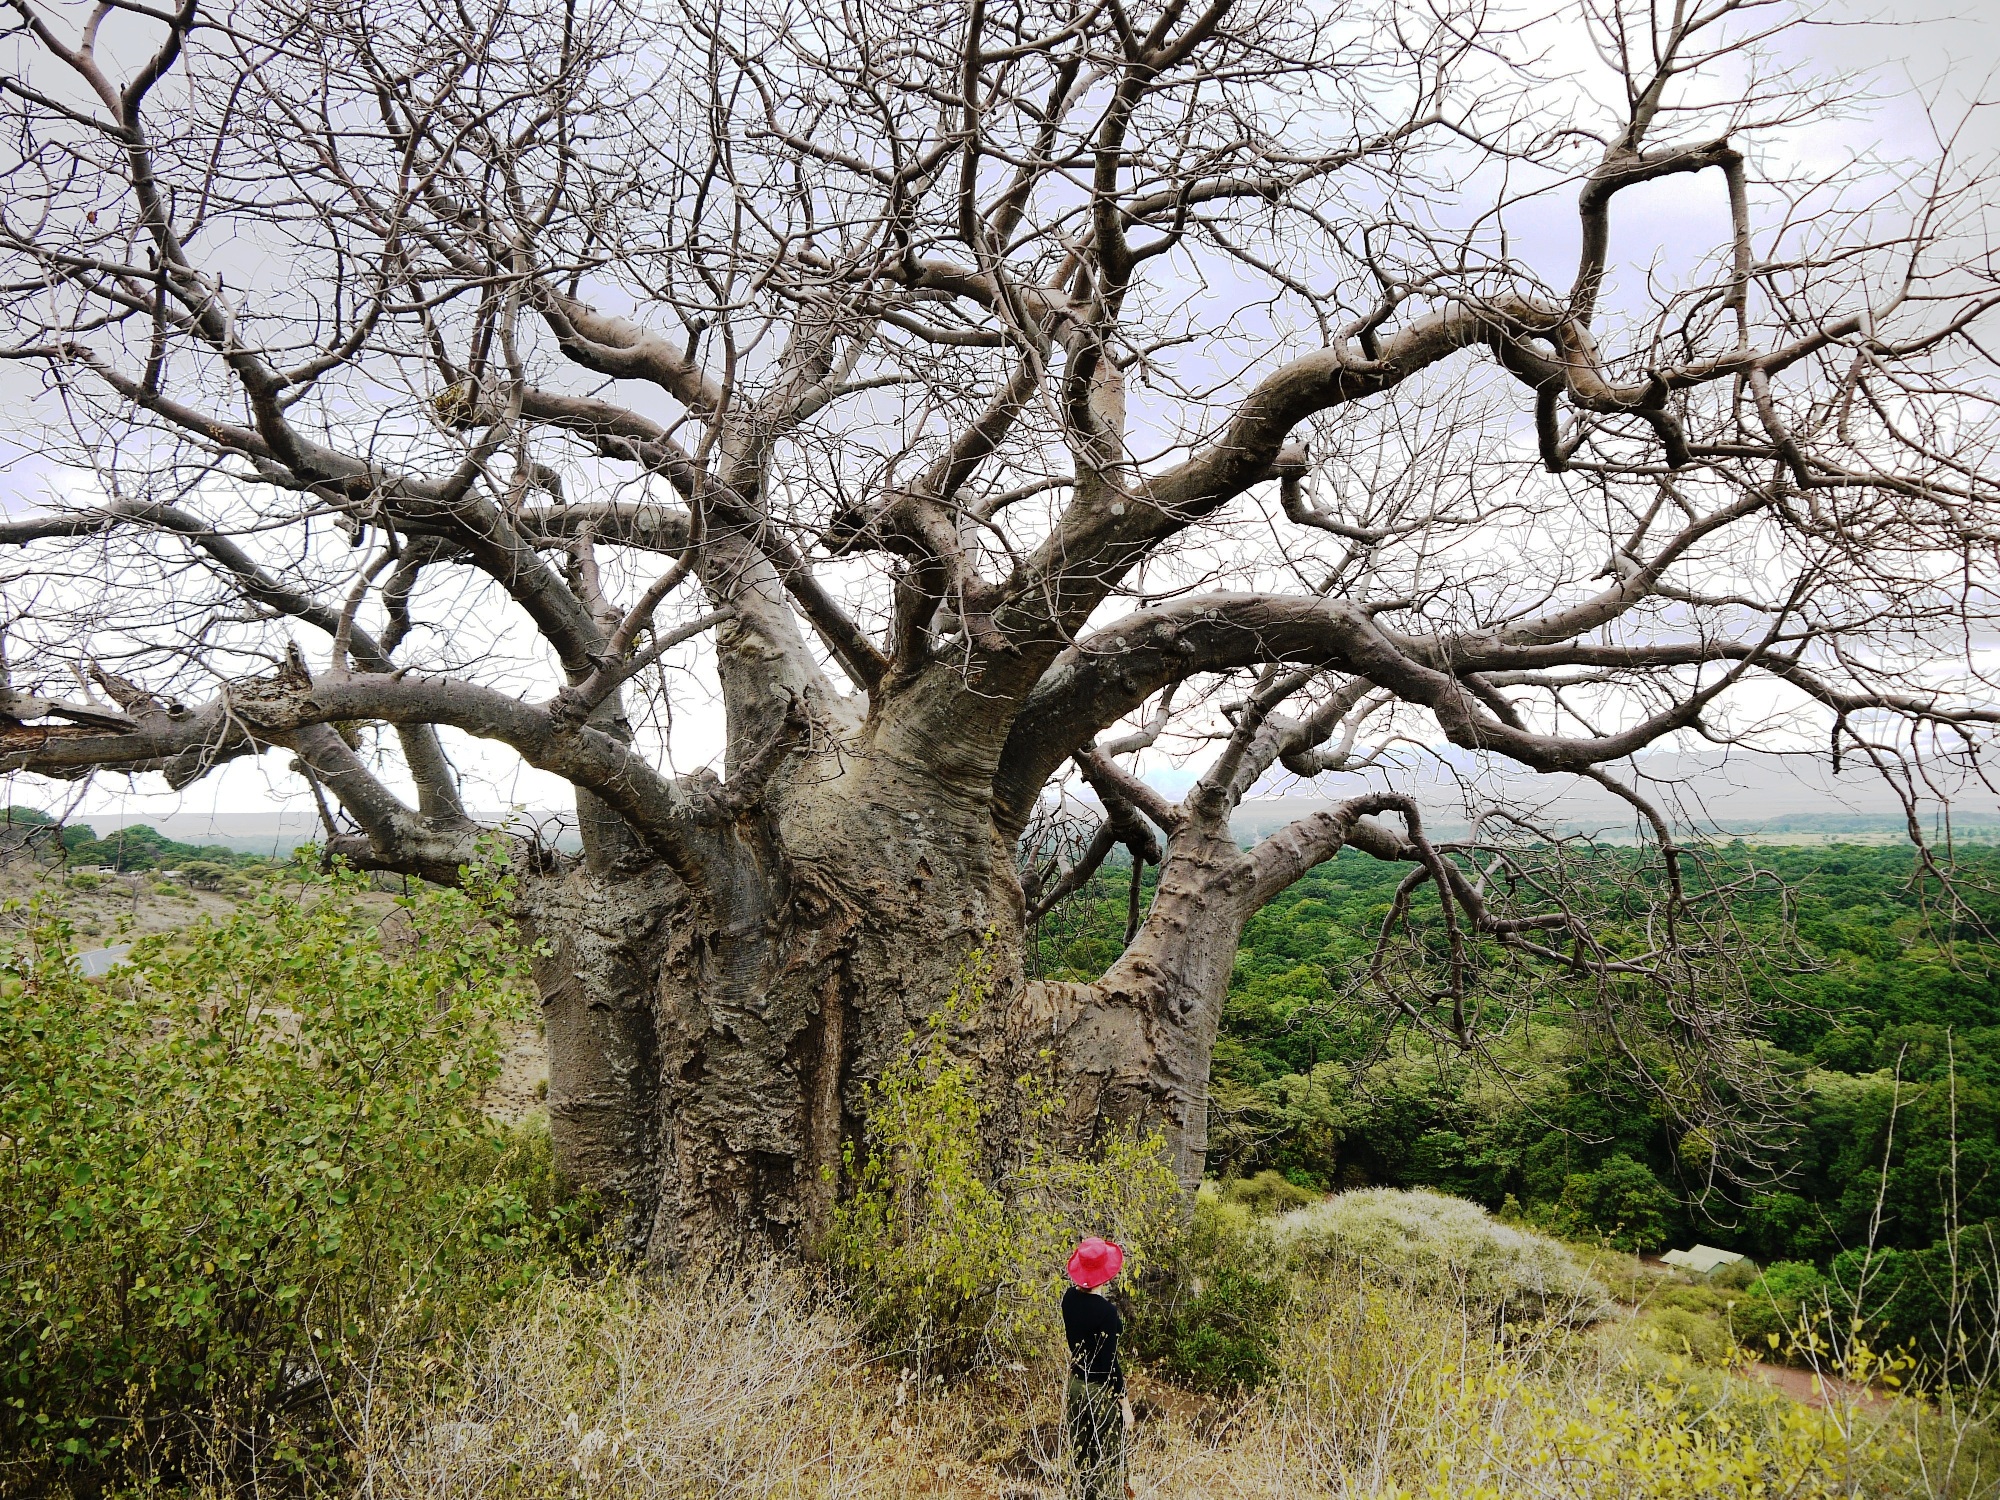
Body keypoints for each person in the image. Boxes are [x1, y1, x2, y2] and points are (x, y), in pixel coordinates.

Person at [1062, 1236, 1135, 1500]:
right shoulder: (1107, 1312)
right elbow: (1109, 1364)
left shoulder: (1068, 1299)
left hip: (1076, 1387)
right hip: (1098, 1392)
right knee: (1107, 1460)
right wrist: (1124, 1404)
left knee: (1080, 1455)